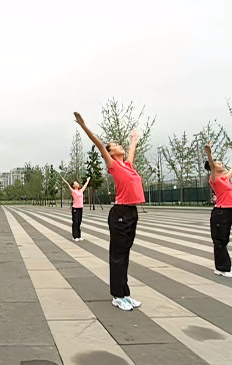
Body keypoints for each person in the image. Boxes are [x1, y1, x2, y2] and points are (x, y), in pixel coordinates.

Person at [74, 111, 144, 311]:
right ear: (111, 153)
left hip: (131, 212)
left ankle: (126, 293)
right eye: (115, 146)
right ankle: (117, 295)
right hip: (120, 213)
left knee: (125, 253)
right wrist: (84, 126)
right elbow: (97, 143)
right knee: (118, 254)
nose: (119, 146)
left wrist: (133, 139)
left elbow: (131, 150)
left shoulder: (128, 165)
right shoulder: (113, 164)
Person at [204, 141, 232, 278]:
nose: (223, 164)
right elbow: (212, 165)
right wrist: (209, 154)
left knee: (223, 240)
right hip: (221, 212)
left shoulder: (224, 179)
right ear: (214, 167)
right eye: (219, 163)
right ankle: (223, 268)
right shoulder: (214, 179)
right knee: (220, 241)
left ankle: (222, 267)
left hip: (227, 211)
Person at [60, 175, 91, 241]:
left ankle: (79, 236)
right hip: (75, 209)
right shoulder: (73, 191)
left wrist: (88, 180)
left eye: (77, 183)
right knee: (75, 222)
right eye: (75, 183)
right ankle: (75, 236)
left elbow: (85, 185)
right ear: (74, 186)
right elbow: (68, 184)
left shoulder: (81, 191)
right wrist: (64, 180)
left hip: (80, 208)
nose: (77, 184)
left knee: (79, 222)